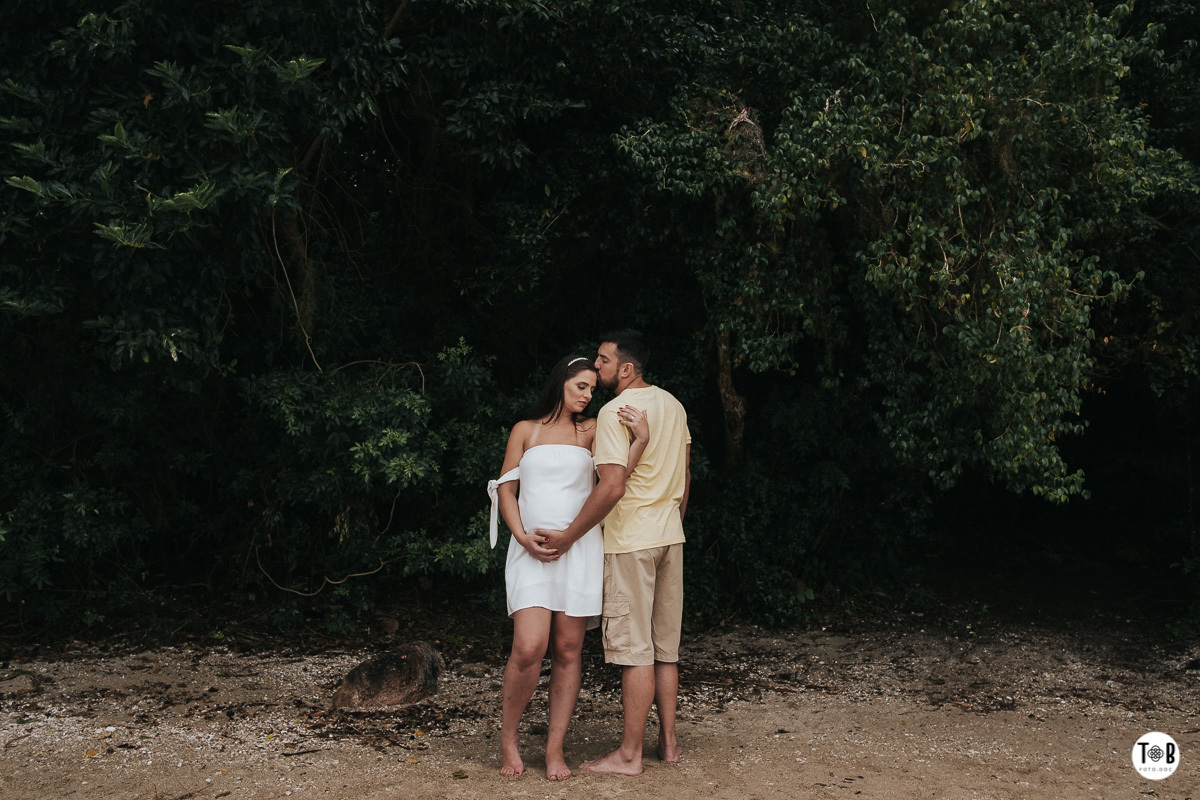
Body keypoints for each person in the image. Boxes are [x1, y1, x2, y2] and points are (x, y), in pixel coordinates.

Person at [534, 330, 692, 776]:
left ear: (625, 368)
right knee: (666, 649)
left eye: (603, 361)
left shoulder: (612, 414)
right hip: (668, 537)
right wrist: (671, 523)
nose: (596, 367)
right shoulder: (674, 406)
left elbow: (612, 486)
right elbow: (683, 478)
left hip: (630, 542)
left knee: (635, 651)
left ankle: (629, 755)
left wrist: (567, 536)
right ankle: (670, 744)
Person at [488, 354, 649, 780]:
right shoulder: (525, 430)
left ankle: (554, 748)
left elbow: (616, 480)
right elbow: (506, 488)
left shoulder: (592, 430)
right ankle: (509, 738)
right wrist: (521, 536)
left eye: (593, 390)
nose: (587, 395)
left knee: (567, 650)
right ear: (560, 381)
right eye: (581, 386)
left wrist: (640, 442)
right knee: (528, 646)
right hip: (530, 548)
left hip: (578, 550)